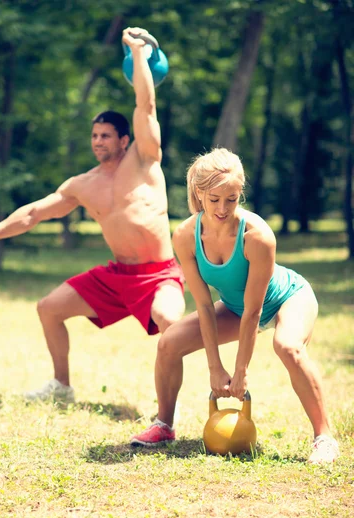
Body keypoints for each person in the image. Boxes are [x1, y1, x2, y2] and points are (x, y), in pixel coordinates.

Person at [0, 27, 185, 405]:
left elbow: (146, 106)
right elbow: (33, 213)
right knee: (48, 308)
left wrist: (139, 54)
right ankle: (61, 387)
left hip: (158, 274)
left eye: (106, 136)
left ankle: (167, 412)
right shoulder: (83, 185)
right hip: (117, 276)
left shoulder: (144, 160)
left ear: (124, 139)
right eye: (94, 136)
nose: (99, 141)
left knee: (169, 321)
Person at [131, 147, 339, 465]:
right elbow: (202, 305)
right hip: (234, 306)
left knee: (288, 347)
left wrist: (241, 371)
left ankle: (324, 438)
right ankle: (164, 425)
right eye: (214, 199)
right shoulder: (186, 236)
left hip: (287, 297)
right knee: (169, 342)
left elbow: (255, 311)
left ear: (240, 193)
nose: (223, 208)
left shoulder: (257, 236)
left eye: (232, 198)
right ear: (199, 193)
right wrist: (215, 367)